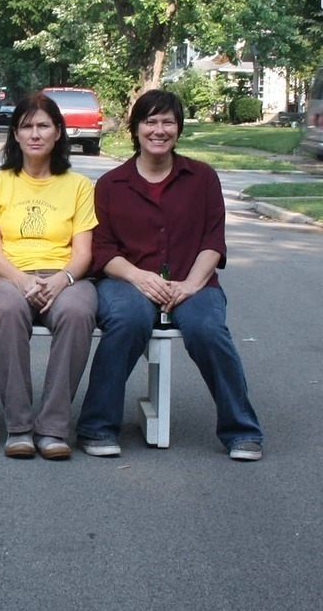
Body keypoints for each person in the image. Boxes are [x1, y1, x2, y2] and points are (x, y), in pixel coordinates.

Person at [75, 89, 264, 461]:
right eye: (150, 121)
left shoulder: (203, 178)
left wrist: (192, 285)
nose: (159, 130)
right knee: (128, 319)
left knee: (207, 329)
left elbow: (213, 240)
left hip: (192, 282)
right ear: (135, 128)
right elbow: (102, 250)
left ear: (178, 128)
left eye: (167, 122)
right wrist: (139, 278)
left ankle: (241, 429)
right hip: (126, 282)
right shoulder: (112, 185)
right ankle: (97, 426)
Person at [0, 92, 98, 460]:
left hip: (64, 278)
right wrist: (20, 280)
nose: (35, 133)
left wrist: (62, 279)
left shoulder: (78, 186)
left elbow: (84, 253)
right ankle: (19, 427)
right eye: (26, 126)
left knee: (78, 313)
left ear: (58, 132)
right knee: (8, 311)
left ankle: (53, 428)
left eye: (43, 125)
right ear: (14, 134)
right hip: (7, 277)